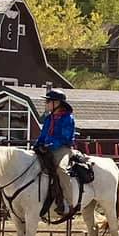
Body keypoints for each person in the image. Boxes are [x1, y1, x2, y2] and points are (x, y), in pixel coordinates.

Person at [35, 89, 78, 221]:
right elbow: (43, 135)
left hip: (62, 149)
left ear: (57, 103)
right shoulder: (49, 118)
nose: (46, 103)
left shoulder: (67, 119)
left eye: (48, 101)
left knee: (61, 170)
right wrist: (37, 145)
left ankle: (71, 204)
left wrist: (50, 145)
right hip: (48, 148)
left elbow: (65, 137)